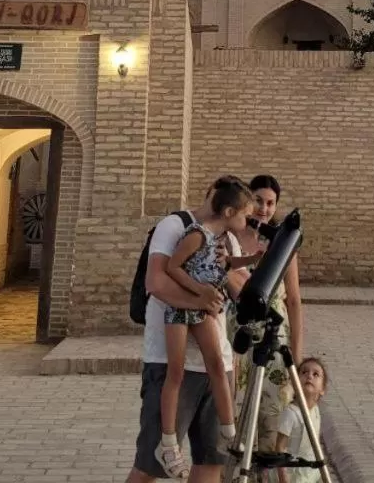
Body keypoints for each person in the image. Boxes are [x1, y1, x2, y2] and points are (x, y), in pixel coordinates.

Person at [126, 179, 250, 483]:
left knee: (211, 462)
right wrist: (200, 298)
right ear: (224, 204)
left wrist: (230, 268)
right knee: (148, 469)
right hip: (171, 362)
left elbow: (241, 291)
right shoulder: (175, 226)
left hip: (217, 361)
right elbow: (157, 282)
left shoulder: (228, 239)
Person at [231, 174, 305, 471]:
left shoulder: (282, 244)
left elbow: (295, 301)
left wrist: (297, 354)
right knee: (236, 414)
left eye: (271, 203)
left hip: (275, 338)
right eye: (259, 201)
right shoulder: (234, 237)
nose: (264, 208)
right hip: (239, 335)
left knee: (272, 416)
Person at [273, 357, 328, 483]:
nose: (309, 376)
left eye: (316, 374)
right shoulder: (290, 413)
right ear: (295, 382)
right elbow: (279, 447)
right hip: (292, 474)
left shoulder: (315, 410)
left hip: (311, 472)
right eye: (304, 372)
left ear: (322, 390)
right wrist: (283, 477)